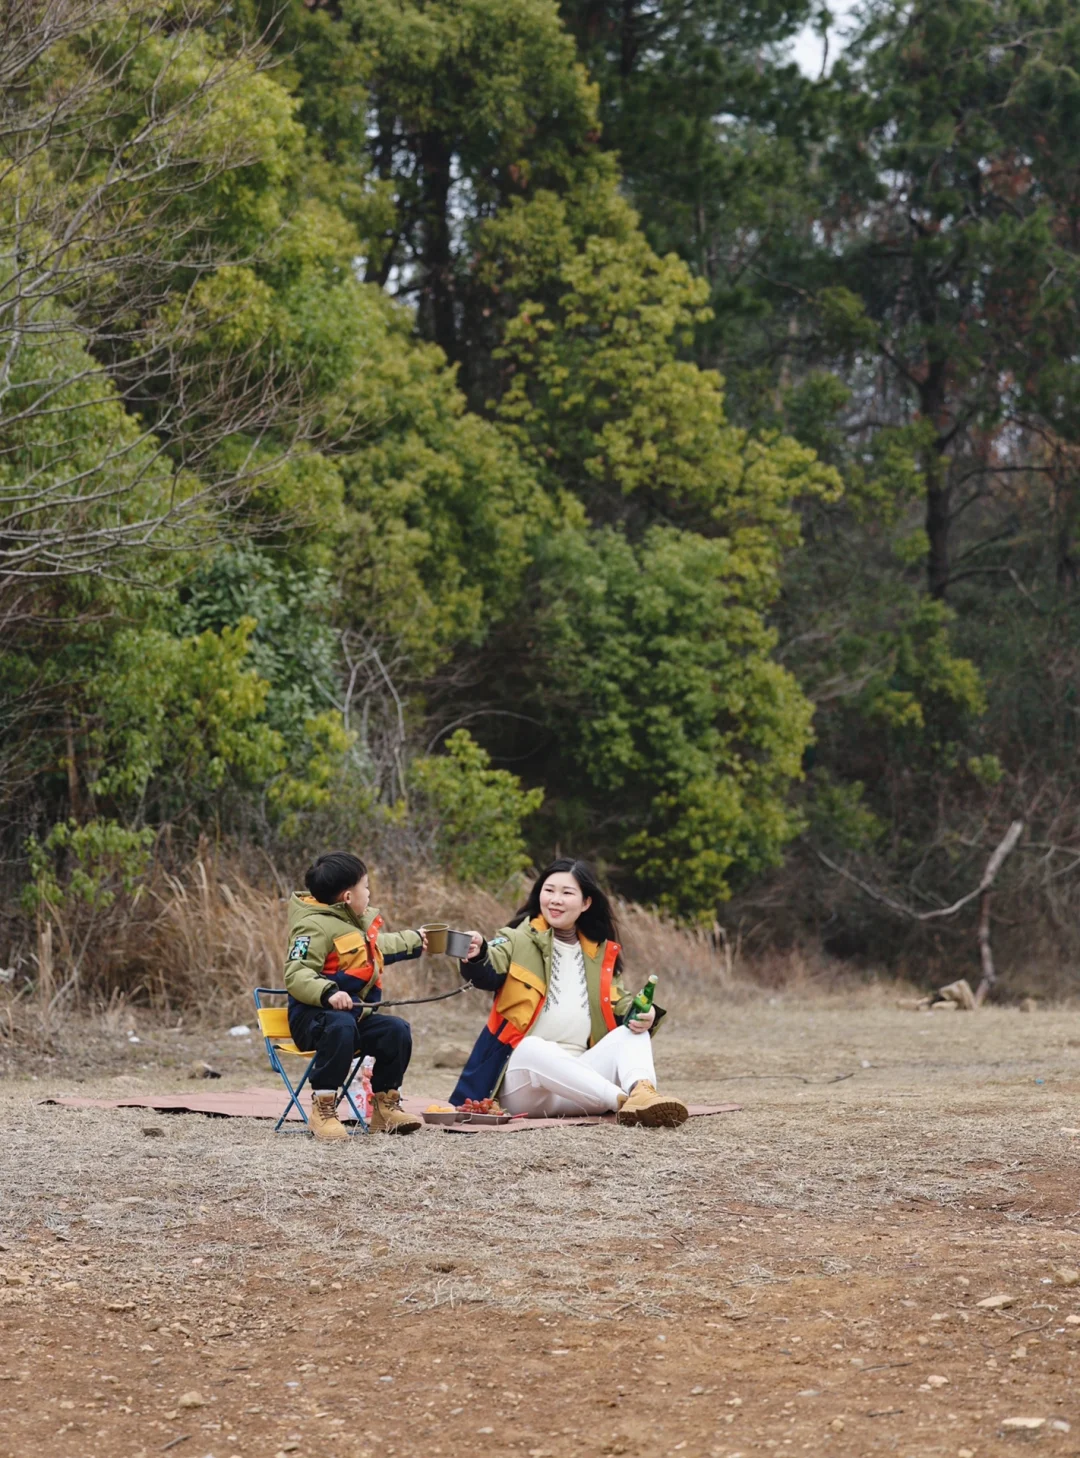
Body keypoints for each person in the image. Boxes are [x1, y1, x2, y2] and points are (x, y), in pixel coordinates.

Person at [451, 859, 688, 1127]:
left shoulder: (599, 953)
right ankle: (624, 1102)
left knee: (633, 1033)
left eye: (566, 893)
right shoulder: (516, 939)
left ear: (586, 903)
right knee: (532, 1047)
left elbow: (623, 1009)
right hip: (526, 1087)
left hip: (581, 1086)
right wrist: (477, 952)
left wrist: (647, 1015)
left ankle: (644, 1094)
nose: (555, 900)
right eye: (549, 890)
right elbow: (486, 971)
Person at [284, 851, 425, 1140]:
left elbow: (379, 946)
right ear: (348, 896)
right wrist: (328, 992)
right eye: (367, 886)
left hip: (353, 1019)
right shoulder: (311, 926)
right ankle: (323, 1107)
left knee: (395, 1030)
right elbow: (296, 973)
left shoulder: (354, 924)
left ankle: (385, 1107)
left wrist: (417, 939)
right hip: (315, 1022)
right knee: (340, 1024)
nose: (370, 893)